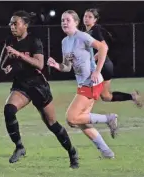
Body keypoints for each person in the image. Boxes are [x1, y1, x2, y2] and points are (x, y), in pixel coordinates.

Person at [0, 10, 79, 169]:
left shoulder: (34, 41)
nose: (12, 26)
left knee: (52, 124)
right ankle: (20, 147)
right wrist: (6, 68)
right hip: (21, 86)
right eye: (10, 23)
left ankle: (72, 152)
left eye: (16, 23)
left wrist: (19, 55)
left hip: (38, 86)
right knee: (9, 110)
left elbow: (39, 64)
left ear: (25, 25)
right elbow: (1, 66)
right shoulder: (9, 40)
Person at [47, 10, 118, 159]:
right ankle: (107, 152)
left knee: (71, 118)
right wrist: (57, 65)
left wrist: (97, 71)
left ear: (76, 22)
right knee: (81, 121)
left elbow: (103, 48)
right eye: (62, 20)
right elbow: (67, 67)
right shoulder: (65, 42)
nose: (64, 23)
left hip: (91, 83)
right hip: (82, 84)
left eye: (68, 20)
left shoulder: (83, 36)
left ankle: (109, 118)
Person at [83, 8, 142, 107]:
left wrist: (92, 60)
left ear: (95, 20)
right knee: (106, 97)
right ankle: (132, 96)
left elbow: (104, 48)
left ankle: (83, 116)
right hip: (102, 66)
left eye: (90, 17)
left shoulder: (95, 30)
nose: (86, 18)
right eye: (85, 16)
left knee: (87, 92)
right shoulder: (86, 32)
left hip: (104, 66)